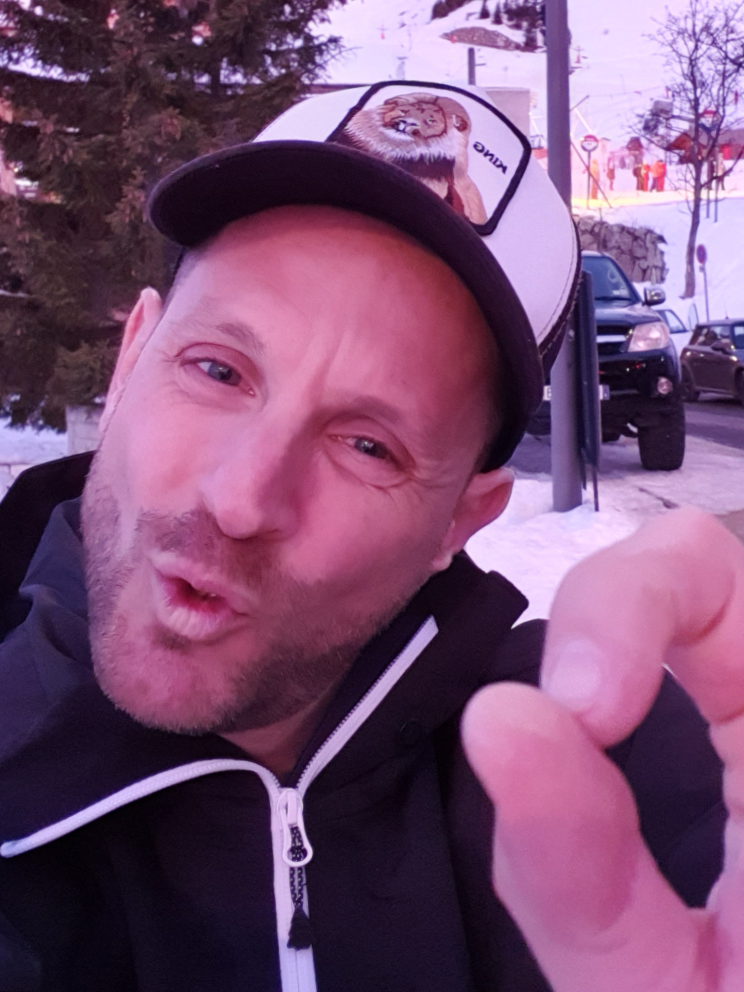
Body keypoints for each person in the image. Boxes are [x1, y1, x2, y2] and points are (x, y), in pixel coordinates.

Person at [0, 81, 735, 992]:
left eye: (367, 446)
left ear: (461, 520)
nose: (240, 500)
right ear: (130, 361)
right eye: (218, 370)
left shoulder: (603, 778)